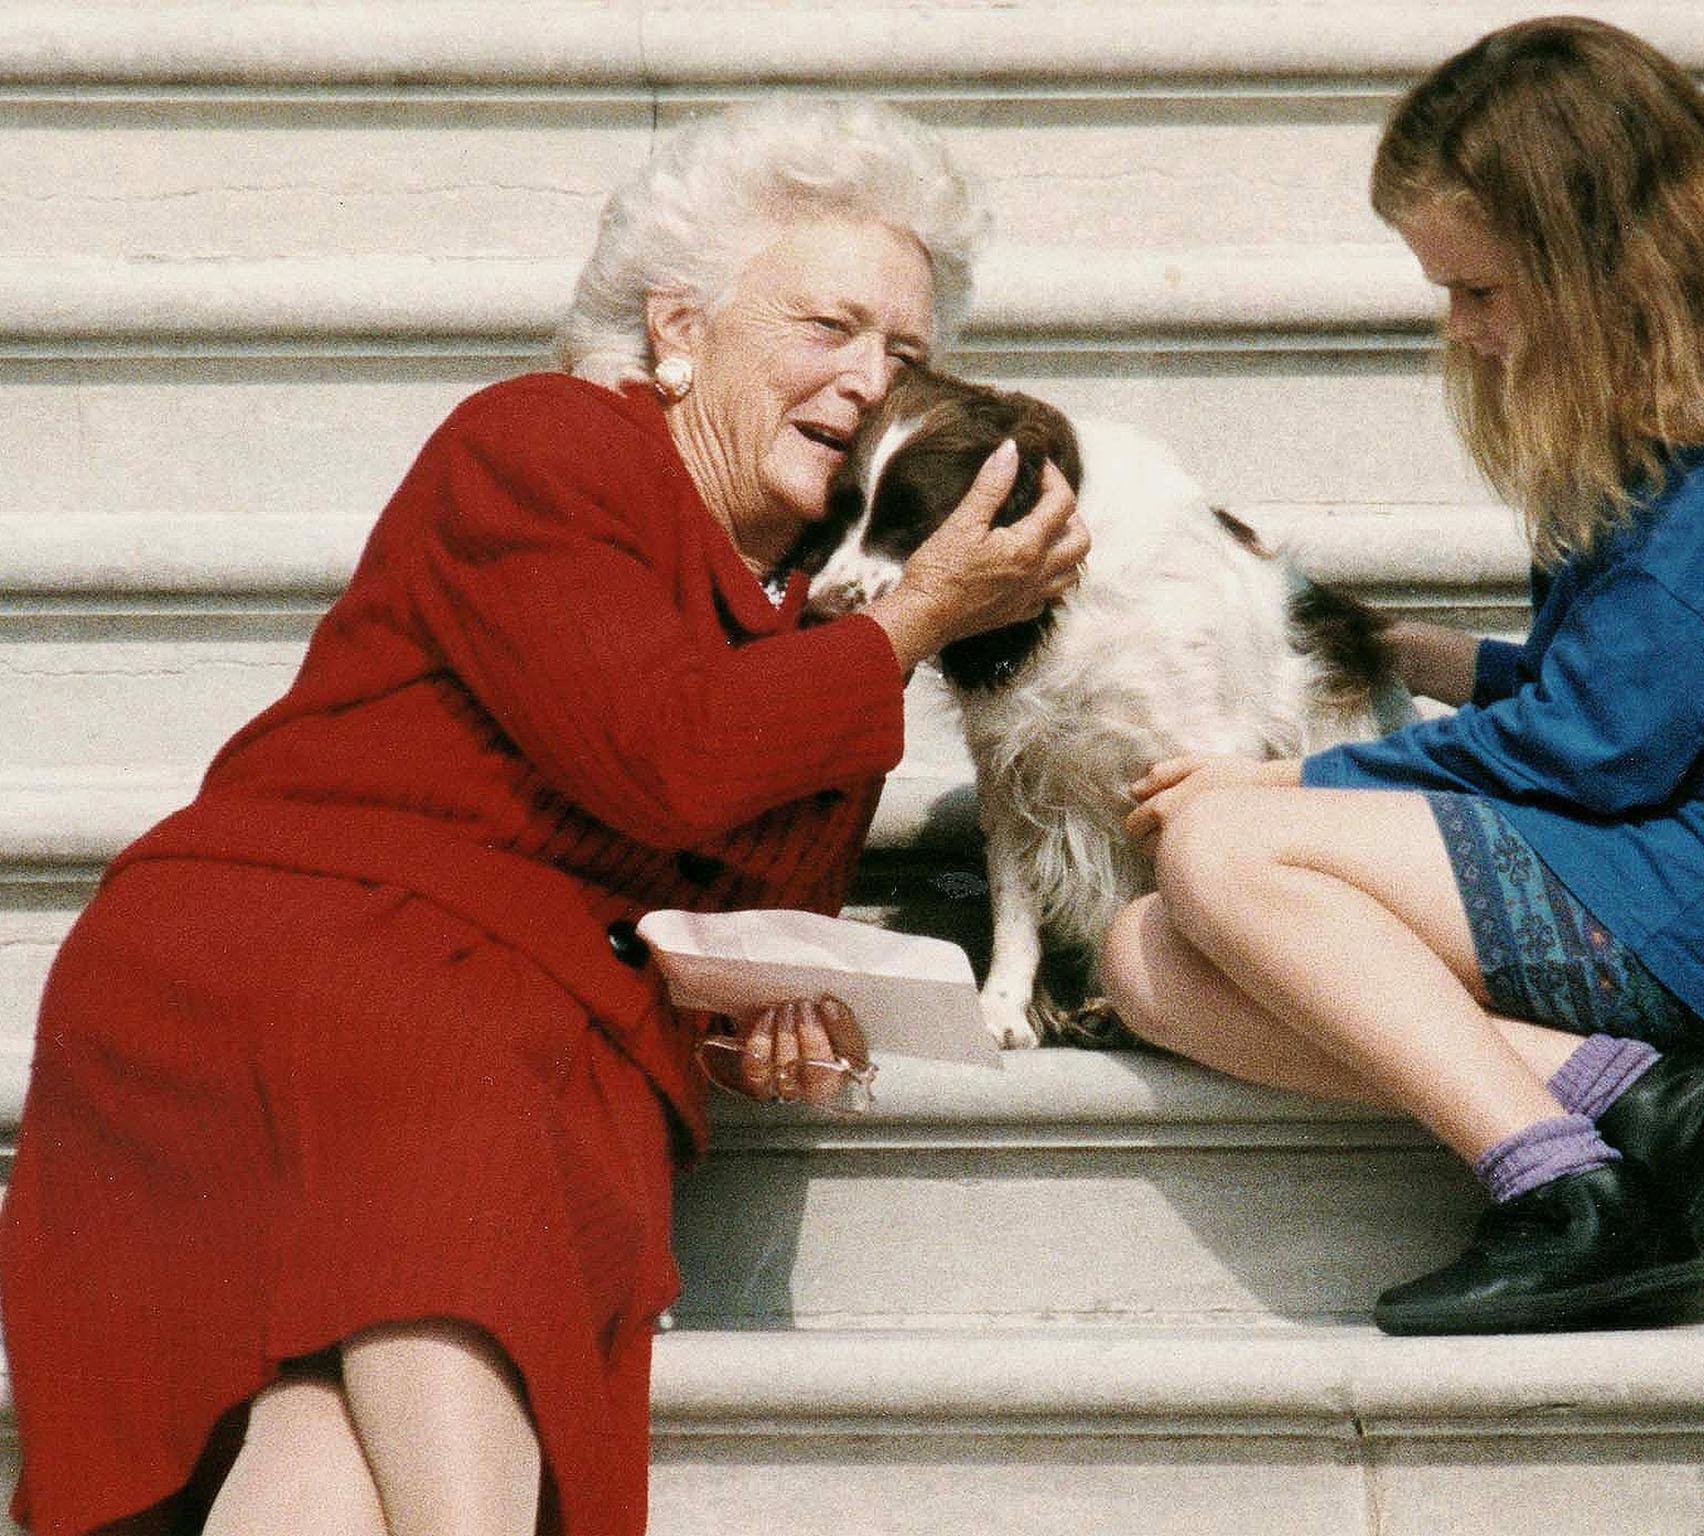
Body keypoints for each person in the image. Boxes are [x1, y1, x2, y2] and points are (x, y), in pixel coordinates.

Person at [0, 98, 1087, 1534]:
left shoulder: (824, 622)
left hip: (523, 1036)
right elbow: (667, 761)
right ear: (680, 327)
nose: (869, 383)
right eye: (829, 328)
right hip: (324, 964)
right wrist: (923, 620)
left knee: (328, 1429)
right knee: (451, 1319)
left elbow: (751, 910)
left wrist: (772, 1019)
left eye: (907, 358)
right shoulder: (550, 446)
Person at [1103, 16, 1704, 1336]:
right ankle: (1631, 1102)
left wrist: (1290, 775)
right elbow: (1635, 690)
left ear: (1616, 265)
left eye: (1481, 291)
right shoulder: (1669, 461)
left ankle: (1569, 1198)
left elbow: (1598, 747)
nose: (1464, 330)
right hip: (1661, 872)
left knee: (1226, 848)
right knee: (1144, 960)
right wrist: (1433, 660)